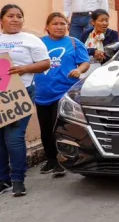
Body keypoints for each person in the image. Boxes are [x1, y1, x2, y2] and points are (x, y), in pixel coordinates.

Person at [0, 4, 51, 197]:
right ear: (1, 20)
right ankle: (2, 179)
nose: (15, 19)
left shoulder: (30, 40)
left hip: (20, 93)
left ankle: (17, 180)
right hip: (0, 92)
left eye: (19, 16)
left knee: (13, 138)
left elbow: (45, 63)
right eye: (10, 16)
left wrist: (24, 69)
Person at [34, 12, 91, 177]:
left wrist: (78, 70)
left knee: (57, 128)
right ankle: (50, 160)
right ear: (47, 27)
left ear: (67, 26)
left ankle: (61, 161)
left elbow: (85, 62)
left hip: (63, 93)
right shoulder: (38, 43)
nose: (59, 27)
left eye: (62, 24)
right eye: (55, 24)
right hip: (42, 92)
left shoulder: (74, 42)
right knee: (45, 129)